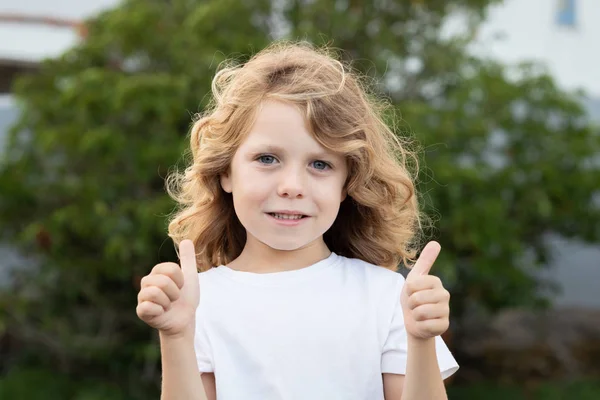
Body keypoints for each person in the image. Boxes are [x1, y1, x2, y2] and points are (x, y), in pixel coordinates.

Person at [136, 41, 459, 400]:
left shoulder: (387, 298)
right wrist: (177, 337)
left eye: (320, 164)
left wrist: (420, 341)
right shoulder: (197, 302)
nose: (292, 187)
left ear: (346, 185)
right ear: (225, 171)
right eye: (268, 158)